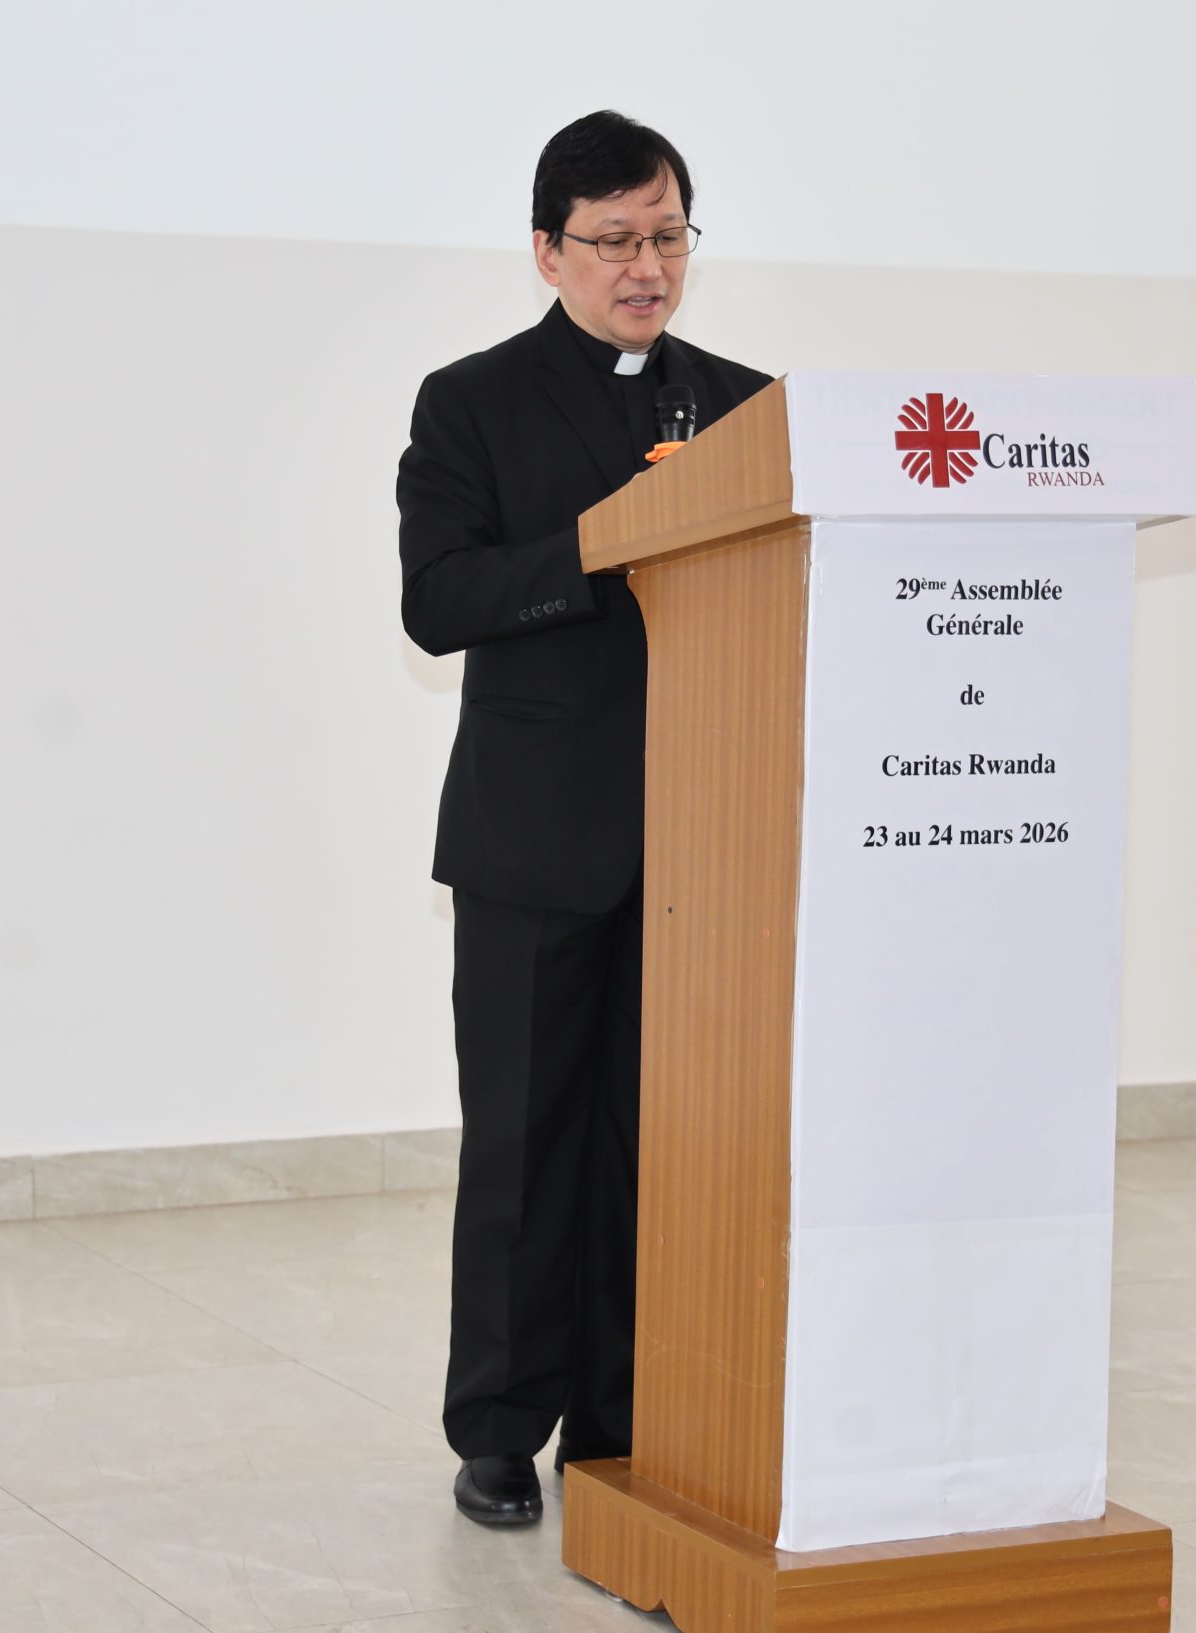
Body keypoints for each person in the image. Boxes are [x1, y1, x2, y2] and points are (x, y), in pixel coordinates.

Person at [397, 111, 773, 1527]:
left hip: (703, 840)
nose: (646, 267)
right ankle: (499, 1426)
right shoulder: (470, 403)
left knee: (655, 1148)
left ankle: (623, 1420)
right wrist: (603, 542)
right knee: (523, 1143)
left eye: (666, 235)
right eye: (614, 240)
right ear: (548, 250)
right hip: (535, 841)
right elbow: (439, 600)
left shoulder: (748, 406)